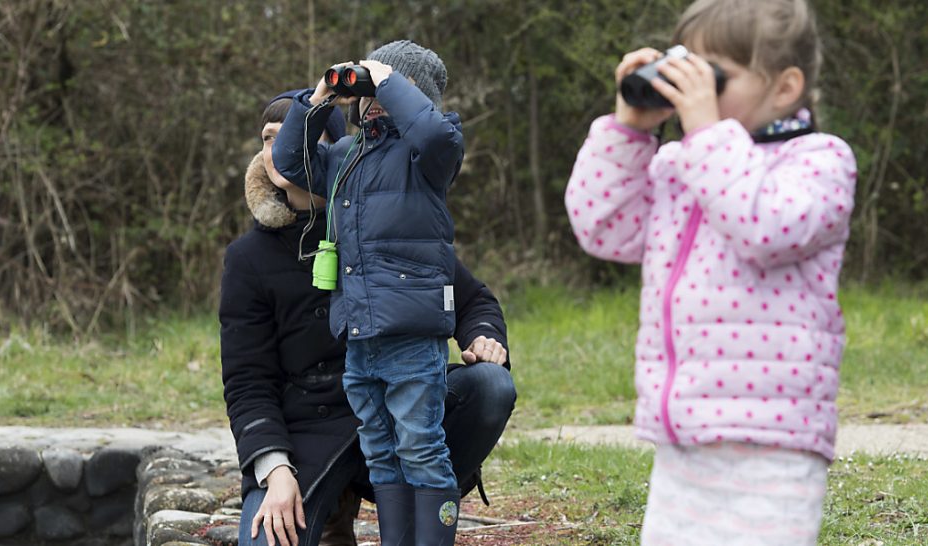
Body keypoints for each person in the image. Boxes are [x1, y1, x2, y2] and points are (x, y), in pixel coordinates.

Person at [564, 0, 857, 544]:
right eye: (685, 69)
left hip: (772, 438)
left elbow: (766, 225)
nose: (691, 90)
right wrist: (628, 129)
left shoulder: (819, 161)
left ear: (786, 87)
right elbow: (603, 227)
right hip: (684, 431)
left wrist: (705, 131)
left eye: (712, 76)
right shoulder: (682, 163)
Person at [221, 89, 515, 546]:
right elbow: (247, 382)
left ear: (332, 151)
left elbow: (471, 298)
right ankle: (333, 505)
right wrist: (274, 469)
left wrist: (483, 336)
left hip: (400, 401)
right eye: (265, 138)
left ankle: (427, 511)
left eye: (288, 137)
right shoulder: (247, 258)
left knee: (491, 387)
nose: (274, 151)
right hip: (310, 432)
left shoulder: (385, 219)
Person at [272, 40, 467, 546]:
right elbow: (291, 164)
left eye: (385, 89)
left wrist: (386, 79)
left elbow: (433, 134)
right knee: (381, 450)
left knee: (421, 448)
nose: (373, 98)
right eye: (368, 90)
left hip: (412, 332)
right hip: (359, 332)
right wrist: (314, 103)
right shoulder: (345, 155)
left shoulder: (430, 154)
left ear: (413, 94)